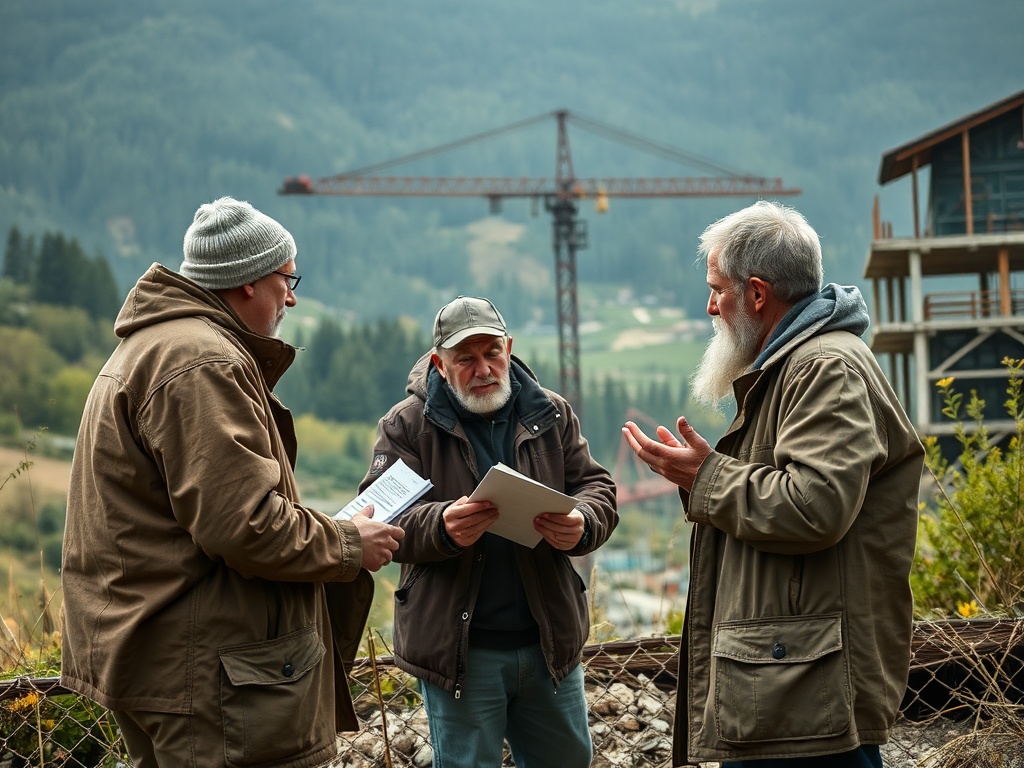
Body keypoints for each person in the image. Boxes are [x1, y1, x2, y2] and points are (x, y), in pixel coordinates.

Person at [60, 196, 405, 768]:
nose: (292, 297)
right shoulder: (203, 363)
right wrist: (348, 543)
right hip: (211, 676)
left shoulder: (155, 346)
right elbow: (243, 524)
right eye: (287, 279)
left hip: (168, 657)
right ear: (248, 283)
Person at [622, 201, 923, 768]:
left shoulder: (823, 368)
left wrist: (704, 476)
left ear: (757, 294)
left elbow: (816, 507)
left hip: (810, 698)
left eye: (718, 288)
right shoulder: (796, 365)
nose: (710, 304)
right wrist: (703, 480)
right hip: (789, 683)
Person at [358, 295, 618, 768]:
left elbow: (596, 486)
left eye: (492, 353)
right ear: (440, 363)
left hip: (548, 646)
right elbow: (379, 518)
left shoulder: (549, 412)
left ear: (509, 347)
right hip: (462, 655)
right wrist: (440, 526)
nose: (484, 369)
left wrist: (582, 523)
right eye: (466, 359)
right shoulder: (407, 426)